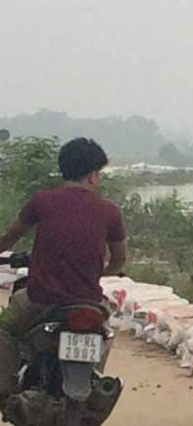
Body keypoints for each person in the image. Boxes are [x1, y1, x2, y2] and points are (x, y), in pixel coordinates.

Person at [0, 138, 128, 397]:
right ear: (92, 176)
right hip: (88, 302)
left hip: (40, 300)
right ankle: (92, 377)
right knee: (105, 334)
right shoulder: (109, 211)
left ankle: (5, 388)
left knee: (5, 331)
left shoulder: (42, 201)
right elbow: (119, 259)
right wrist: (101, 271)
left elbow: (9, 238)